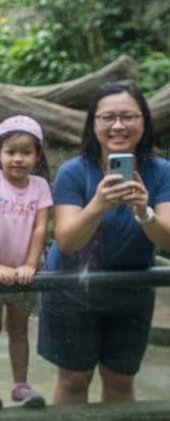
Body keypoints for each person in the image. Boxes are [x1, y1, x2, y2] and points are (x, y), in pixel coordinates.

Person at [39, 80, 170, 404]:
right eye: (107, 117)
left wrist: (144, 212)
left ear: (144, 120)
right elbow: (68, 242)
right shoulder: (73, 172)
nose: (118, 126)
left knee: (121, 379)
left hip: (131, 290)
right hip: (72, 290)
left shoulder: (162, 171)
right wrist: (98, 204)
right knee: (73, 380)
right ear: (92, 123)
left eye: (128, 116)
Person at [0, 115, 53, 410]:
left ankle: (21, 385)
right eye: (11, 152)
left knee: (18, 329)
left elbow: (41, 228)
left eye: (26, 152)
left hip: (23, 272)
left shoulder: (40, 186)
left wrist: (30, 264)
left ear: (37, 155)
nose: (18, 159)